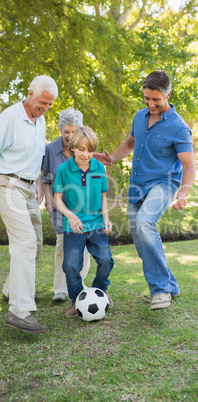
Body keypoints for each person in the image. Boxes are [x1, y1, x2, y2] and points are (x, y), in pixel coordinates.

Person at [94, 70, 196, 311]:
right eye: (146, 99)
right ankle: (170, 283)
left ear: (168, 95)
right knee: (141, 243)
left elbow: (189, 164)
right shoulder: (140, 117)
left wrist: (183, 192)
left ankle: (160, 290)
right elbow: (130, 142)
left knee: (144, 222)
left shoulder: (179, 127)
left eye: (156, 100)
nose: (150, 104)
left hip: (163, 183)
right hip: (137, 185)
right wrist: (113, 158)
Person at [0, 75, 58, 333]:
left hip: (28, 188)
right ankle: (20, 310)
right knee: (23, 241)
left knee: (35, 242)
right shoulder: (10, 118)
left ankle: (10, 290)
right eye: (43, 102)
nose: (45, 108)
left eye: (50, 105)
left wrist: (36, 183)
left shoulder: (41, 120)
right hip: (7, 185)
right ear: (30, 93)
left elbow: (36, 156)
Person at [54, 126, 114, 318]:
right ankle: (77, 300)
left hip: (96, 223)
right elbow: (57, 199)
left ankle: (99, 293)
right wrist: (70, 215)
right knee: (71, 265)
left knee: (106, 260)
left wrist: (106, 218)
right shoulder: (64, 169)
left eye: (89, 150)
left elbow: (104, 196)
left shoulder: (99, 167)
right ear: (73, 148)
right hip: (74, 226)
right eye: (81, 149)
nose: (85, 154)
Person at [42, 107, 90, 301]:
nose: (70, 136)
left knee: (83, 247)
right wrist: (47, 198)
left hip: (83, 206)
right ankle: (60, 289)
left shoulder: (85, 147)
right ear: (60, 130)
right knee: (63, 245)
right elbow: (45, 178)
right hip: (60, 205)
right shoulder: (50, 150)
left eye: (74, 131)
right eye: (66, 132)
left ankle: (78, 281)